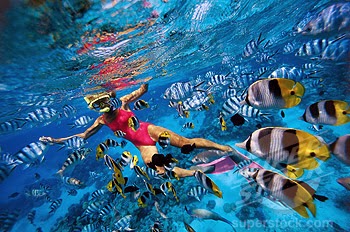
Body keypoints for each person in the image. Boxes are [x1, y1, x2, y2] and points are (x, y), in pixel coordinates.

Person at [39, 84, 233, 178]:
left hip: (150, 130)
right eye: (100, 103)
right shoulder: (100, 120)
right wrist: (56, 141)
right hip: (142, 145)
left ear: (109, 98)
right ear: (97, 106)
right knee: (160, 172)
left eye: (105, 100)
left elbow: (142, 91)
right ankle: (196, 172)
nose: (105, 105)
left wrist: (145, 78)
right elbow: (83, 135)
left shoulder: (122, 102)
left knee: (185, 143)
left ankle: (223, 147)